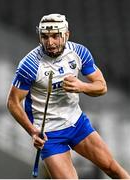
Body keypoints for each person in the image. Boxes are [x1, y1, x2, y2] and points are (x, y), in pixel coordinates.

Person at [7, 13, 130, 179]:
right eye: (45, 36)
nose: (50, 42)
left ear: (66, 34)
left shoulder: (79, 52)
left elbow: (102, 87)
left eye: (55, 36)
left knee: (113, 169)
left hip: (77, 123)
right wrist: (32, 131)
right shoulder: (29, 65)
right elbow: (13, 102)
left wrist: (82, 86)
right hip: (50, 135)